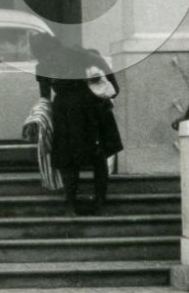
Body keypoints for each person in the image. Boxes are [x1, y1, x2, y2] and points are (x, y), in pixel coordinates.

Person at [23, 32, 124, 215]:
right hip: (95, 111)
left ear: (40, 51)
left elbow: (45, 97)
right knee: (98, 158)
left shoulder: (43, 66)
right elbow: (114, 89)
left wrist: (37, 119)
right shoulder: (87, 55)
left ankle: (70, 204)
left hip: (66, 114)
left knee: (68, 160)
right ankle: (100, 202)